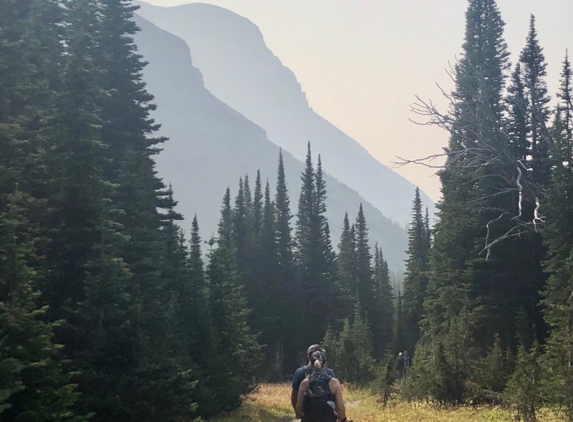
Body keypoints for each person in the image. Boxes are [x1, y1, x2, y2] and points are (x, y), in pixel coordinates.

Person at [296, 350, 350, 422]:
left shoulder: (304, 383)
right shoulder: (334, 382)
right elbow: (340, 407)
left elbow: (299, 409)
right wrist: (343, 418)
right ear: (325, 365)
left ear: (311, 365)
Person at [291, 344, 335, 413]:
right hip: (326, 413)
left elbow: (294, 395)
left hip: (308, 413)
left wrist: (298, 411)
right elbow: (334, 395)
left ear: (308, 357)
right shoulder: (329, 372)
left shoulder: (300, 372)